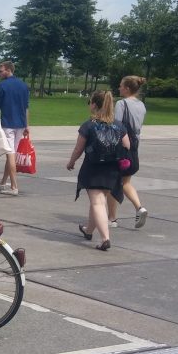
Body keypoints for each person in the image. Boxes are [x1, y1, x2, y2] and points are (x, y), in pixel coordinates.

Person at [66, 91, 130, 251]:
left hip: (93, 167)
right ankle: (88, 230)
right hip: (112, 169)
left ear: (94, 104)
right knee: (98, 201)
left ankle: (105, 238)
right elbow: (127, 145)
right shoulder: (118, 125)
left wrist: (71, 161)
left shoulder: (89, 125)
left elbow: (78, 148)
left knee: (97, 202)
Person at [108, 75, 148, 229]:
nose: (119, 88)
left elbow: (116, 126)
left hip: (120, 147)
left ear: (127, 88)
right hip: (134, 147)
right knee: (126, 182)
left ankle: (112, 218)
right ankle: (139, 207)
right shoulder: (141, 105)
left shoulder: (121, 104)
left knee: (113, 182)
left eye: (121, 86)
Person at [0, 60, 28, 196]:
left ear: (8, 70)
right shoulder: (23, 85)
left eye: (1, 71)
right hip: (20, 124)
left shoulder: (2, 86)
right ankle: (3, 182)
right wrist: (27, 125)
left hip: (8, 124)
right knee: (11, 153)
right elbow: (26, 107)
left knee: (10, 154)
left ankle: (14, 186)